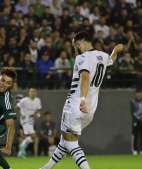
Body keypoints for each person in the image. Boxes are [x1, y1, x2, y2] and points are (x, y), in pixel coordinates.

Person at [40, 31, 124, 169]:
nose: (75, 50)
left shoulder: (82, 58)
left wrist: (82, 99)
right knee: (65, 140)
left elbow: (84, 77)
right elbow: (112, 59)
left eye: (75, 47)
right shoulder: (102, 56)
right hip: (90, 109)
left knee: (71, 142)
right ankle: (46, 168)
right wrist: (116, 49)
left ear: (79, 43)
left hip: (76, 104)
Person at [17, 87, 42, 158]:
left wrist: (38, 114)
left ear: (36, 93)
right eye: (32, 91)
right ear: (29, 93)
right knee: (34, 136)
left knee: (33, 137)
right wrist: (21, 114)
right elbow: (17, 107)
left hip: (31, 121)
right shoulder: (24, 100)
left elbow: (39, 110)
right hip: (25, 121)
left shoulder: (38, 100)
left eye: (34, 92)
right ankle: (22, 147)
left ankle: (21, 150)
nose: (33, 93)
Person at [130, 88, 142, 155]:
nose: (139, 94)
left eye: (140, 92)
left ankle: (141, 150)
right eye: (138, 92)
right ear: (136, 93)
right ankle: (134, 149)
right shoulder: (133, 101)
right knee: (135, 135)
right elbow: (133, 112)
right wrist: (139, 118)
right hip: (136, 121)